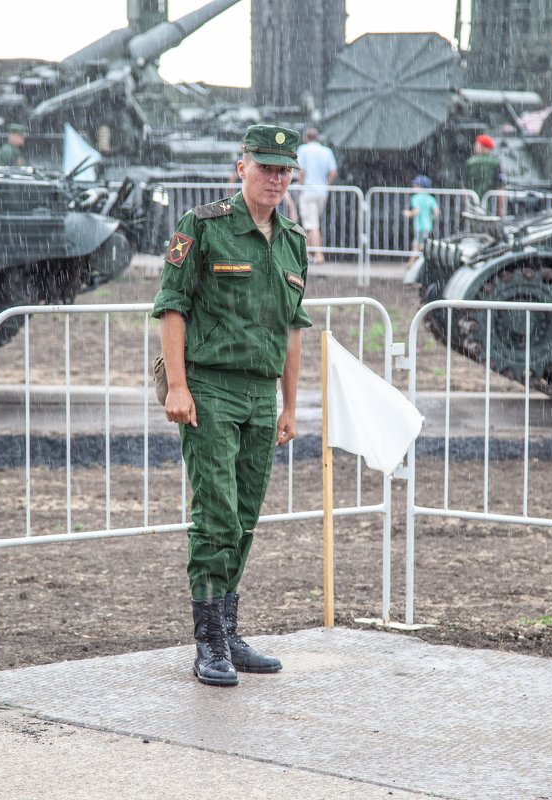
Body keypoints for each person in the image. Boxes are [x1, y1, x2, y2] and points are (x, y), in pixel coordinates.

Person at [152, 124, 312, 687]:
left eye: (283, 170)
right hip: (211, 388)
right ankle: (208, 640)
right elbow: (172, 307)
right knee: (215, 513)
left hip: (260, 395)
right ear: (240, 167)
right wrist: (177, 386)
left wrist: (291, 404)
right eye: (264, 167)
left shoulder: (292, 241)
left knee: (244, 515)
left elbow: (293, 329)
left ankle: (229, 629)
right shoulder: (202, 227)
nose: (275, 178)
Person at [295, 127, 337, 263]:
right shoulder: (327, 151)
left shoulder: (303, 149)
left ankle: (318, 254)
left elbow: (301, 171)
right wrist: (326, 186)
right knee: (312, 223)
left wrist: (300, 188)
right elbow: (333, 172)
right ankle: (307, 254)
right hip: (321, 192)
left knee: (311, 224)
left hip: (308, 190)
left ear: (306, 138)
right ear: (317, 138)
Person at [402, 174, 440, 268]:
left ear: (420, 186)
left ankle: (415, 264)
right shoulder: (430, 198)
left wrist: (408, 213)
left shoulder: (416, 198)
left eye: (415, 185)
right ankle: (414, 263)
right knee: (418, 244)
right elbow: (436, 211)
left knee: (419, 245)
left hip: (420, 225)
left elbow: (417, 210)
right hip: (427, 225)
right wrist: (430, 218)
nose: (413, 187)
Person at [465, 134, 504, 213]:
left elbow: (465, 186)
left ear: (481, 146)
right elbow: (500, 186)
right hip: (491, 206)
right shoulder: (496, 162)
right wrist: (501, 208)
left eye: (476, 145)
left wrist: (466, 205)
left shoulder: (470, 162)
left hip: (473, 205)